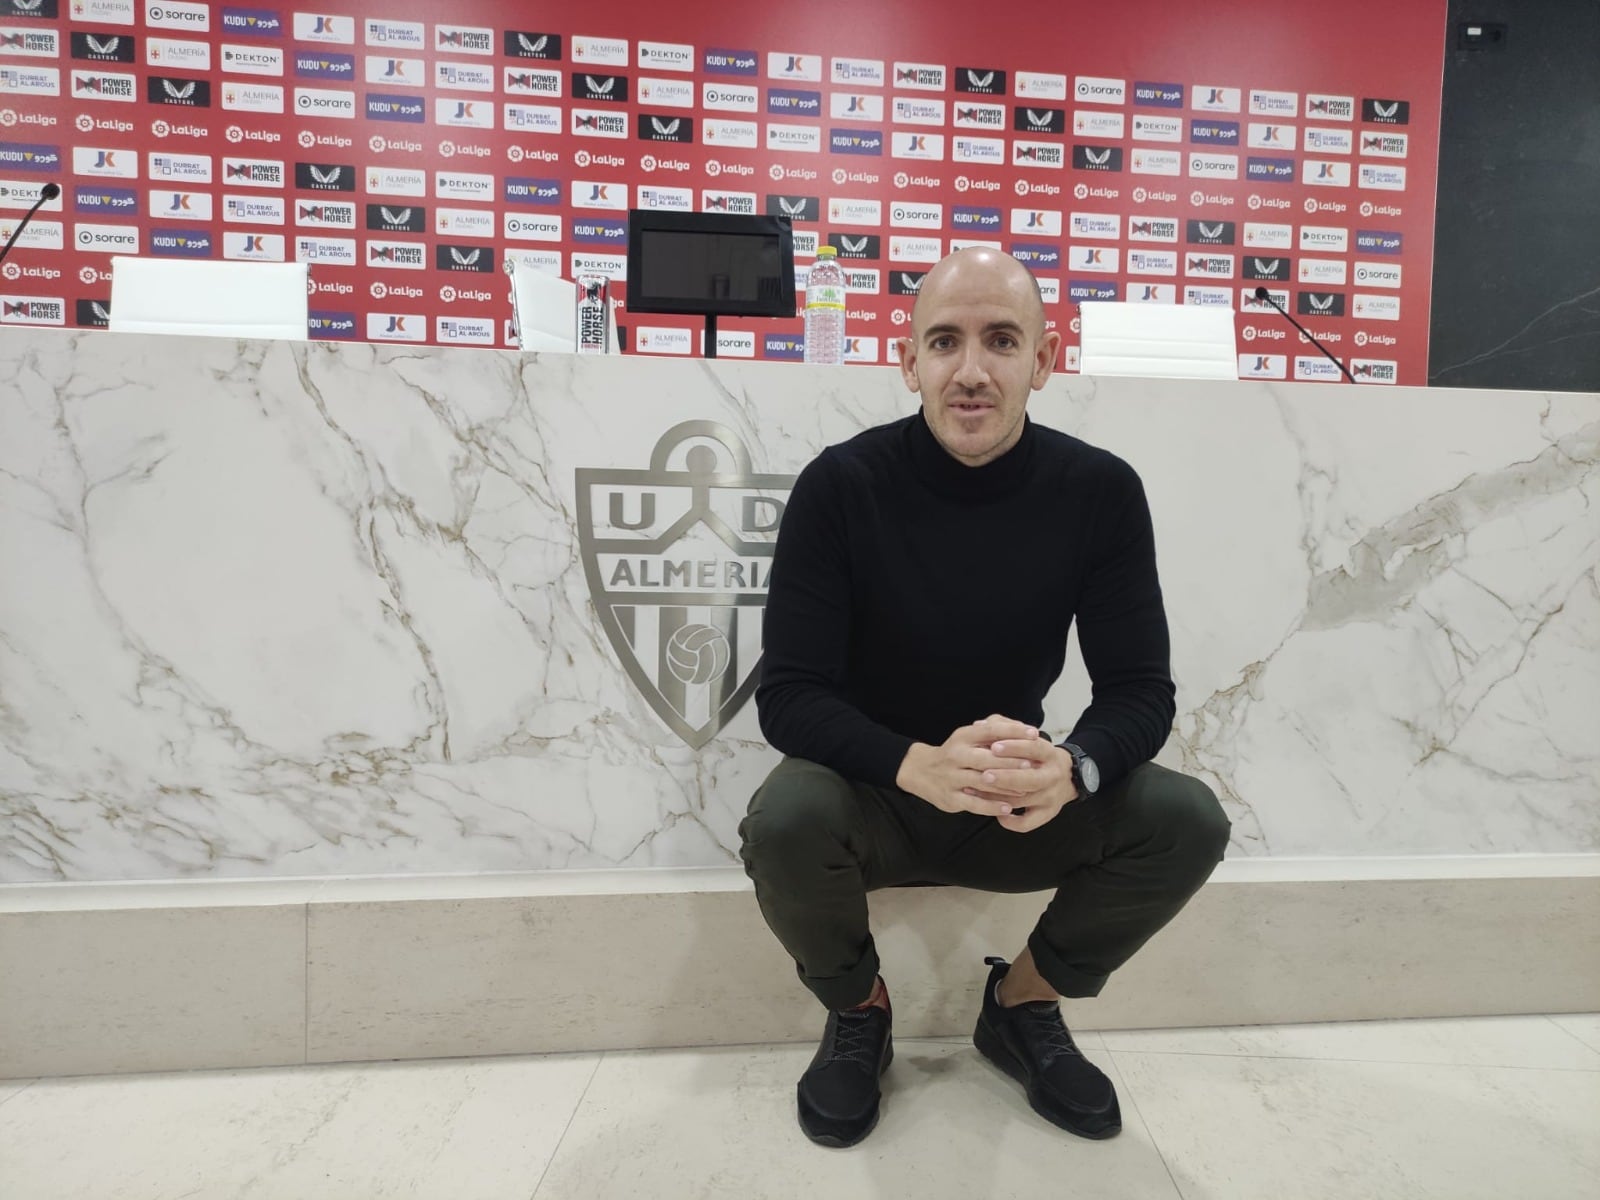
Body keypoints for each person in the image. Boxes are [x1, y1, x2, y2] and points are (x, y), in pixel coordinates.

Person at [738, 247, 1231, 1148]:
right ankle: (861, 1010)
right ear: (909, 359)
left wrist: (1071, 769)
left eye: (1001, 341)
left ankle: (1021, 1004)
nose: (971, 371)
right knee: (784, 816)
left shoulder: (1100, 491)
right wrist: (913, 764)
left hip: (1012, 805)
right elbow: (790, 697)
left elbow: (1140, 693)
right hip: (875, 794)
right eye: (945, 341)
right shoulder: (841, 486)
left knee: (1186, 817)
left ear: (1043, 361)